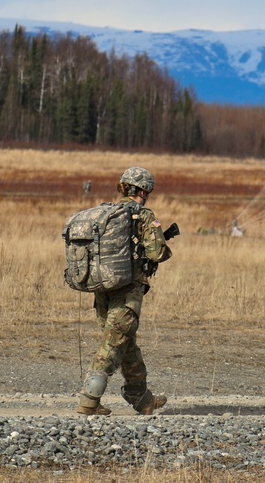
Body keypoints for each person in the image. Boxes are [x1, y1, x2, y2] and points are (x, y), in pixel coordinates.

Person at [76, 166, 173, 416]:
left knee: (125, 342)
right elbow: (156, 252)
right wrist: (164, 248)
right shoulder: (142, 215)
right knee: (113, 345)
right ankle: (89, 400)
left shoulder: (106, 212)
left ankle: (140, 397)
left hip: (102, 289)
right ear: (143, 190)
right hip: (127, 292)